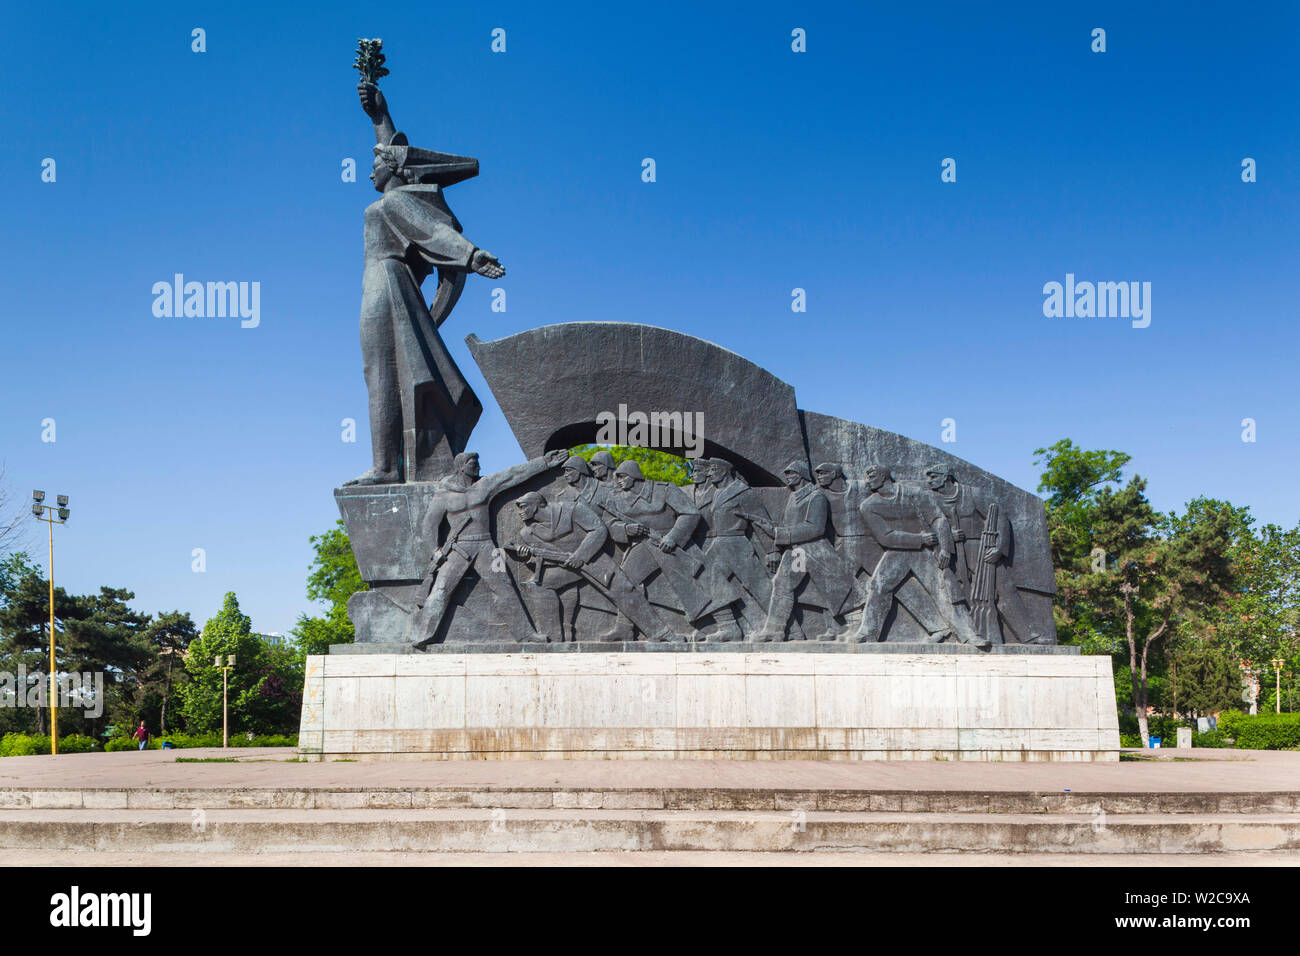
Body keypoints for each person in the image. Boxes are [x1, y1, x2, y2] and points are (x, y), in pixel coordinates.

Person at [344, 81, 506, 485]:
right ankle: (388, 465)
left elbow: (432, 232)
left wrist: (470, 255)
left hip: (387, 287)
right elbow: (393, 153)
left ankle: (385, 468)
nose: (370, 170)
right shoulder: (396, 197)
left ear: (395, 170)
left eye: (376, 164)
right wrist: (379, 115)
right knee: (381, 374)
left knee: (381, 374)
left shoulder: (394, 202)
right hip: (384, 288)